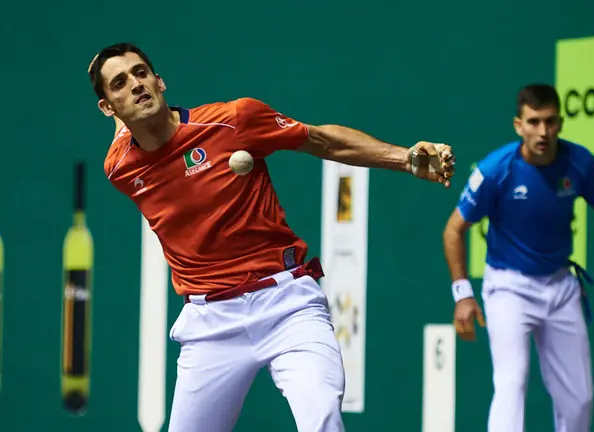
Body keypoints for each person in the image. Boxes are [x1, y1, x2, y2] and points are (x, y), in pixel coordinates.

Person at [88, 42, 456, 432]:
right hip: (211, 323)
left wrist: (404, 158)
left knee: (322, 417)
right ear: (108, 107)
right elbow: (123, 133)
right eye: (120, 83)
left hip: (288, 306)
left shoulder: (234, 120)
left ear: (160, 81)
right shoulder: (120, 168)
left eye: (142, 73)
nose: (136, 85)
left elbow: (322, 140)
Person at [442, 84, 594, 432]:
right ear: (519, 125)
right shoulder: (495, 170)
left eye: (550, 121)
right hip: (508, 288)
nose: (543, 131)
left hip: (561, 287)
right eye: (533, 122)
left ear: (560, 122)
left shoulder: (581, 163)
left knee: (580, 398)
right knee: (511, 384)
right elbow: (454, 229)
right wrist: (463, 295)